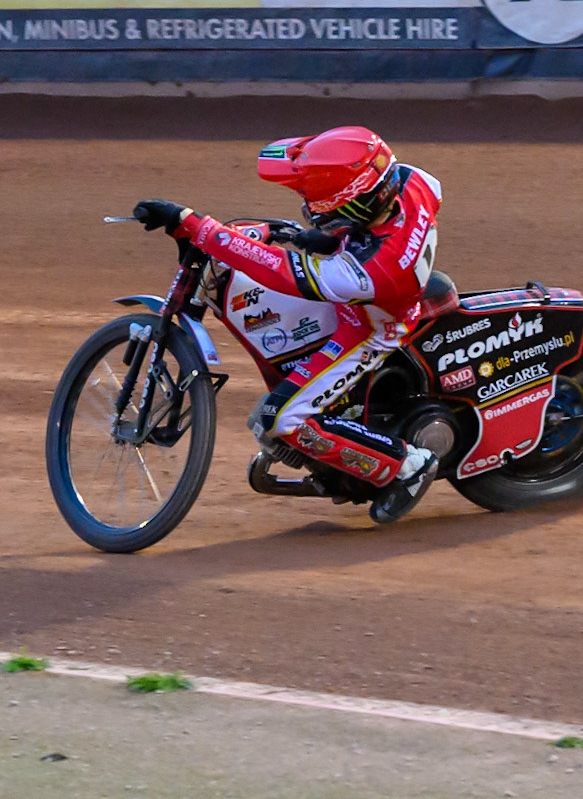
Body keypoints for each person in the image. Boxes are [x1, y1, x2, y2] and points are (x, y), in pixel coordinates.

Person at [133, 126, 445, 525]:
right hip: (363, 289)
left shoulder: (369, 273)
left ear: (355, 204)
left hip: (369, 330)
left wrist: (197, 226)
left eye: (317, 202)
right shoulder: (411, 181)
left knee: (281, 418)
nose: (310, 206)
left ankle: (406, 467)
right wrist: (332, 240)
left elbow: (280, 270)